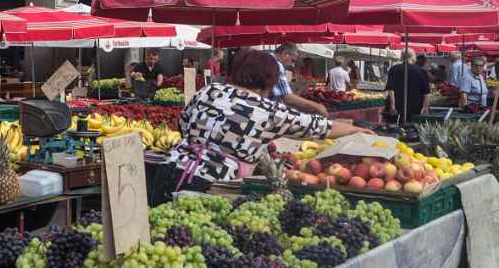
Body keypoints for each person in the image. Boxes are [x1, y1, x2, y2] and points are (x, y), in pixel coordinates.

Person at [147, 49, 371, 205]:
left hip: (168, 171)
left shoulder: (210, 91)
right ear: (268, 81)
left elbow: (183, 124)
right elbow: (317, 127)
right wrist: (355, 130)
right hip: (209, 186)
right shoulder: (267, 110)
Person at [271, 43, 327, 116]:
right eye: (292, 60)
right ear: (285, 54)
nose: (292, 65)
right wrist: (316, 106)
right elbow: (287, 97)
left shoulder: (268, 59)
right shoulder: (277, 65)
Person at [385, 49, 431, 119]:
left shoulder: (393, 69)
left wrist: (393, 106)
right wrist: (425, 107)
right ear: (413, 57)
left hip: (398, 109)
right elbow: (426, 92)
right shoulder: (421, 71)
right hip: (416, 109)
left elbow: (391, 91)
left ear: (401, 56)